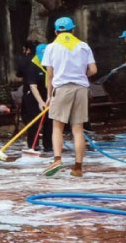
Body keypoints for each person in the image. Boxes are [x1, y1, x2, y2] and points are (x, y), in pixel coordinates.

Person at [42, 16, 97, 177]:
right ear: (73, 30)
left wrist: (48, 96)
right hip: (81, 89)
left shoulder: (51, 47)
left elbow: (50, 75)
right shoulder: (83, 46)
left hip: (62, 89)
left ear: (55, 31)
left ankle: (57, 159)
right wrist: (81, 75)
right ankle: (78, 167)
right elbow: (93, 70)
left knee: (57, 127)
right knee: (78, 129)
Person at [15, 41, 49, 152]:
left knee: (50, 121)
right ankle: (33, 145)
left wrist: (49, 98)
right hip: (32, 95)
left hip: (48, 94)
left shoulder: (52, 64)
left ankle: (49, 146)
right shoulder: (32, 65)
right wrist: (41, 102)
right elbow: (33, 86)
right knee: (34, 120)